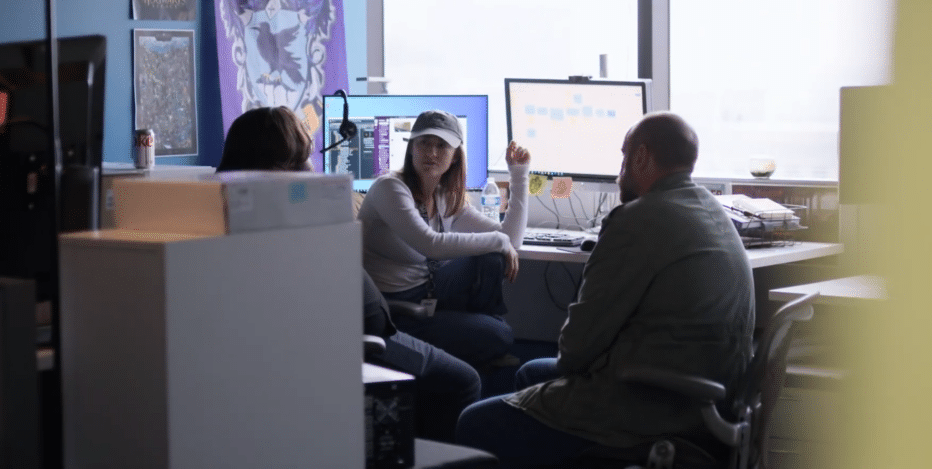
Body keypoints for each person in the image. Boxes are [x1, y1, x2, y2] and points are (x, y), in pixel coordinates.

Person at [454, 112, 755, 467]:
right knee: (531, 373)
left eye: (624, 157)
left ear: (641, 157)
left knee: (474, 423)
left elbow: (574, 352)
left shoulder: (636, 220)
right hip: (710, 403)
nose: (620, 171)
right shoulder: (711, 210)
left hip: (651, 407)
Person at [218, 106, 482, 442]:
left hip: (347, 333)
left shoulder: (231, 211)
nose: (311, 166)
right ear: (281, 167)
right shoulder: (294, 213)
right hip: (357, 339)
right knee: (464, 381)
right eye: (303, 158)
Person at [358, 109, 531, 368]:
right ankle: (480, 337)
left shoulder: (443, 195)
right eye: (424, 143)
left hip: (432, 288)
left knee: (492, 258)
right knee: (501, 334)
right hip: (398, 306)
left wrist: (519, 174)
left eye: (442, 145)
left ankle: (476, 333)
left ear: (455, 156)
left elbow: (511, 239)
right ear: (411, 149)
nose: (432, 153)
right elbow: (431, 244)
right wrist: (499, 241)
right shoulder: (389, 188)